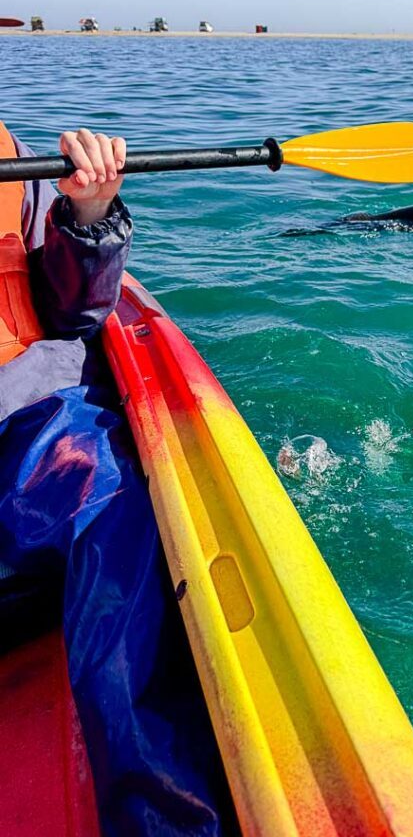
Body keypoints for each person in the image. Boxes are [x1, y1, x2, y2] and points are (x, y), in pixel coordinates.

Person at [0, 124, 236, 836]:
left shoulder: (19, 164)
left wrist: (90, 214)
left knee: (111, 491)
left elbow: (79, 314)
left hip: (23, 433)